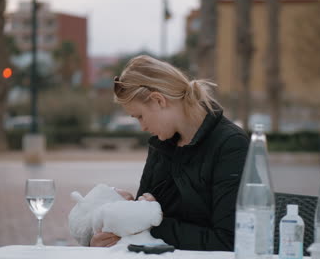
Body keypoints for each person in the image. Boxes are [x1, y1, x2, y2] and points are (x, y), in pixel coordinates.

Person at [90, 55, 249, 251]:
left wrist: (154, 224)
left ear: (158, 100)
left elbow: (228, 241)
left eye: (140, 116)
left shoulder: (231, 145)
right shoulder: (162, 144)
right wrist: (107, 237)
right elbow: (141, 222)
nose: (142, 127)